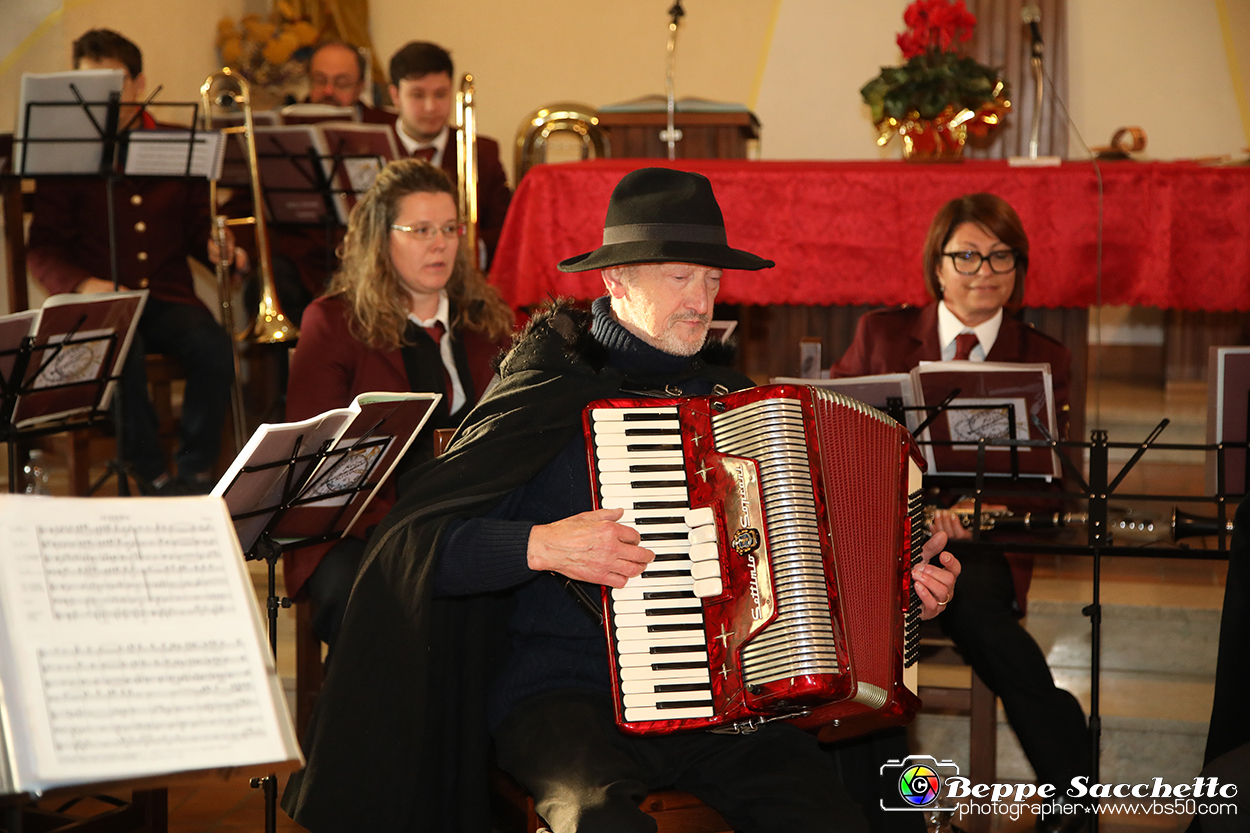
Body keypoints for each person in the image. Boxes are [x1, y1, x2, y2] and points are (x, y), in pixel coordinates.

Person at [282, 167, 962, 832]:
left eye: (712, 278)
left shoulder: (740, 407)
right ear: (615, 279)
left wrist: (899, 581)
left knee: (826, 816)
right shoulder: (546, 386)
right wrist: (541, 544)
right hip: (564, 698)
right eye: (678, 276)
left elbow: (806, 570)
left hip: (725, 710)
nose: (701, 299)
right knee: (597, 818)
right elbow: (416, 548)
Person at [831, 193, 1090, 833]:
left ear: (1019, 268)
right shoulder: (883, 334)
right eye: (967, 255)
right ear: (937, 266)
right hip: (882, 533)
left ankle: (1064, 789)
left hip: (984, 545)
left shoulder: (1045, 355)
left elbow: (1058, 489)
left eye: (1002, 255)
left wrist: (983, 512)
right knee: (867, 607)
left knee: (968, 600)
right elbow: (833, 430)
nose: (984, 269)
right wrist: (906, 503)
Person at [283, 158, 513, 650]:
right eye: (421, 229)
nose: (441, 243)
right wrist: (404, 530)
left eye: (450, 228)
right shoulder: (333, 323)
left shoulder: (486, 319)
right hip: (357, 527)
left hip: (464, 519)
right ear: (381, 239)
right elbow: (313, 472)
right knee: (374, 602)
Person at [26, 28, 240, 495]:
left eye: (115, 82)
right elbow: (41, 246)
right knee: (125, 354)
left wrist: (214, 244)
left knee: (213, 346)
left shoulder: (176, 142)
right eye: (87, 85)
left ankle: (195, 472)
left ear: (139, 84)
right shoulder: (63, 153)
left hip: (165, 296)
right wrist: (82, 285)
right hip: (102, 303)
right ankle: (151, 473)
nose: (102, 96)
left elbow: (194, 225)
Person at [372, 41, 511, 269]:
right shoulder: (369, 148)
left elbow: (506, 230)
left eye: (440, 94)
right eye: (417, 95)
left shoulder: (483, 152)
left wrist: (465, 247)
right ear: (395, 95)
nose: (430, 107)